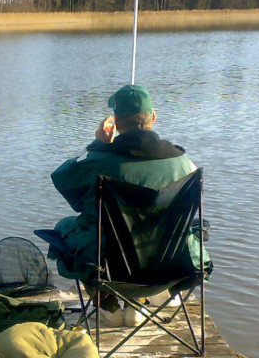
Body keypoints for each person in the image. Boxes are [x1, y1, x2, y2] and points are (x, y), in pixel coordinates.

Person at [48, 84, 198, 327]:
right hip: (169, 266)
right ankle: (141, 302)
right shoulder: (185, 163)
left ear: (115, 122)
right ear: (154, 117)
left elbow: (62, 178)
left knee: (64, 228)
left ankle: (108, 305)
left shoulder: (99, 159)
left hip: (111, 268)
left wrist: (97, 144)